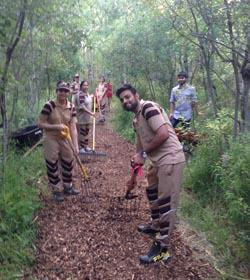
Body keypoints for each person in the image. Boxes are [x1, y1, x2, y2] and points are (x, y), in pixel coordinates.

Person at [116, 84, 185, 264]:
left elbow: (162, 134)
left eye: (128, 97)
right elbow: (140, 150)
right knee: (151, 189)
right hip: (158, 160)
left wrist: (143, 154)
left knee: (165, 203)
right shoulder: (136, 119)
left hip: (171, 158)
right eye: (122, 99)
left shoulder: (148, 108)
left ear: (136, 95)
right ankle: (155, 225)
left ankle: (162, 248)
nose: (125, 101)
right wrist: (133, 178)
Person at [38, 81, 80, 202]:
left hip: (65, 138)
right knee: (52, 163)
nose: (63, 92)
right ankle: (56, 190)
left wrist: (76, 146)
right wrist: (55, 127)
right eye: (60, 90)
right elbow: (40, 123)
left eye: (65, 91)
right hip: (51, 137)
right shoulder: (49, 105)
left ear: (68, 93)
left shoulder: (71, 107)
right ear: (57, 91)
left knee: (68, 160)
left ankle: (68, 187)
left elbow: (73, 127)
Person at [73, 80, 94, 152]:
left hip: (87, 118)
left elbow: (88, 102)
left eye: (87, 85)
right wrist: (91, 113)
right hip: (81, 117)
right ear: (81, 86)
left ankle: (86, 146)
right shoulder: (80, 94)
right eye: (84, 85)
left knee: (86, 132)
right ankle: (81, 147)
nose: (86, 87)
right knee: (82, 132)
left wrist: (91, 96)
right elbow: (82, 106)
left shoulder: (86, 94)